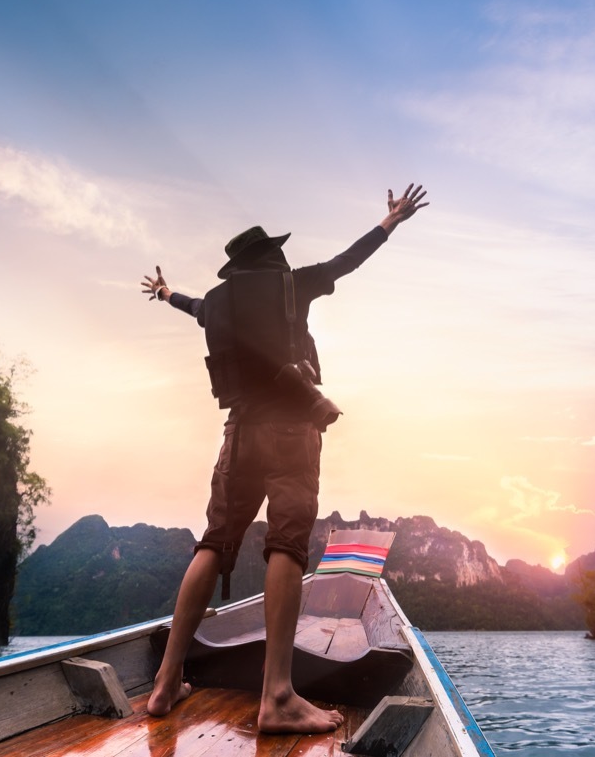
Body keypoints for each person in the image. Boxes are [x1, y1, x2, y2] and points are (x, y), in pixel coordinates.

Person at [139, 183, 429, 733]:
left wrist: (165, 292)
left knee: (214, 542)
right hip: (291, 431)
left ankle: (163, 684)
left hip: (238, 434)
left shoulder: (218, 303)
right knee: (287, 545)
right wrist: (391, 222)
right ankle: (276, 696)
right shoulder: (293, 285)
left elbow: (193, 306)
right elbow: (347, 261)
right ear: (271, 256)